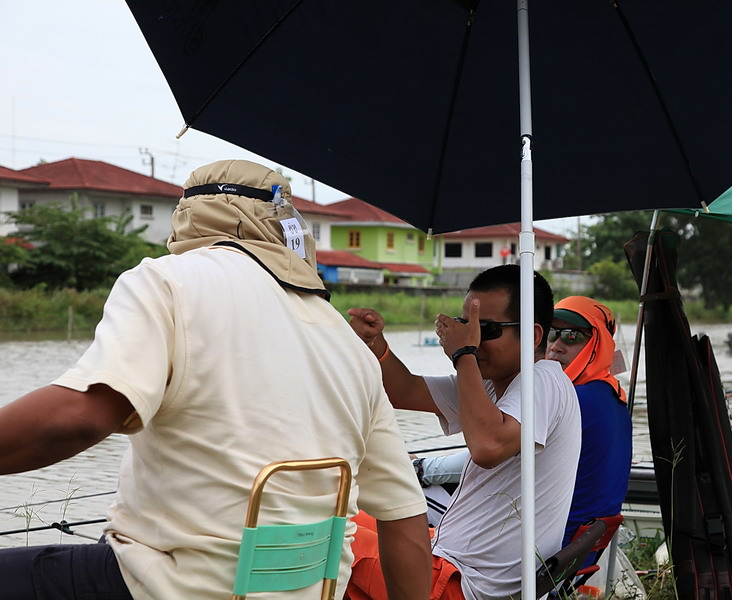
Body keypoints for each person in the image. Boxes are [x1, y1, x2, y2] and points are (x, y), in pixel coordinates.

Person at [0, 160, 430, 600]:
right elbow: (406, 521)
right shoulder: (347, 342)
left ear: (187, 216)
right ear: (287, 228)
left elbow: (79, 417)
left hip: (166, 587)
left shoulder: (166, 280)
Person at [348, 265, 581, 600]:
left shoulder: (544, 379)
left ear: (533, 335)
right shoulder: (491, 384)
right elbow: (405, 391)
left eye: (485, 329)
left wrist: (463, 354)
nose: (473, 338)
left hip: (465, 586)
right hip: (449, 561)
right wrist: (376, 346)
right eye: (466, 326)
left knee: (328, 534)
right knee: (354, 513)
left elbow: (487, 447)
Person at [413, 296, 632, 548]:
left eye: (572, 336)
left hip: (548, 547)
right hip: (577, 546)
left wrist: (421, 469)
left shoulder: (574, 397)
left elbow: (488, 451)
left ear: (599, 345)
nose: (556, 346)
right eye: (552, 334)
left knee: (408, 494)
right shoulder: (609, 394)